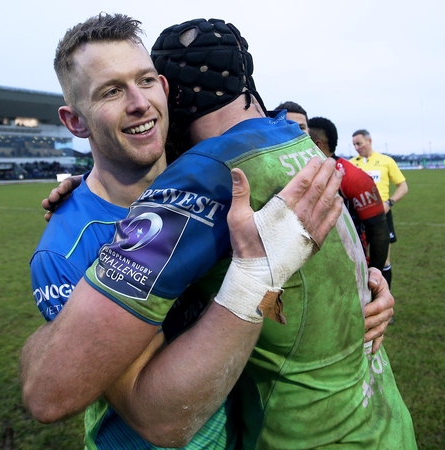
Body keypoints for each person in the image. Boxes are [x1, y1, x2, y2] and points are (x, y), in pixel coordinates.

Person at [21, 14, 396, 449]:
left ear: (165, 88)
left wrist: (363, 296)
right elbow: (144, 416)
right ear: (76, 122)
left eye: (145, 80)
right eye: (110, 91)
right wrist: (257, 277)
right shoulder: (71, 245)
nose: (139, 102)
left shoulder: (216, 184)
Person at [309, 116, 390, 270]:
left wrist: (375, 275)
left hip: (350, 268)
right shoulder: (298, 173)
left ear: (316, 144)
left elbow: (379, 231)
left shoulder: (352, 177)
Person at [351, 129, 409, 289]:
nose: (357, 147)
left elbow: (403, 187)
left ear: (369, 141)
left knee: (383, 260)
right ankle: (364, 299)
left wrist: (389, 203)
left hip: (380, 215)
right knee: (359, 258)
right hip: (358, 217)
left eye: (359, 143)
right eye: (354, 145)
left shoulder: (386, 161)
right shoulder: (351, 163)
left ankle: (384, 299)